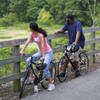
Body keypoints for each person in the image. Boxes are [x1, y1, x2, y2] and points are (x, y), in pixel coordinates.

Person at [20, 21, 55, 93]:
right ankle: (30, 78)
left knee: (45, 67)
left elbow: (42, 46)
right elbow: (28, 41)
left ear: (32, 28)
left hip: (47, 52)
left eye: (30, 28)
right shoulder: (32, 34)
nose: (29, 29)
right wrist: (22, 50)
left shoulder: (40, 35)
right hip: (40, 52)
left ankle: (51, 84)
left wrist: (43, 56)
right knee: (28, 60)